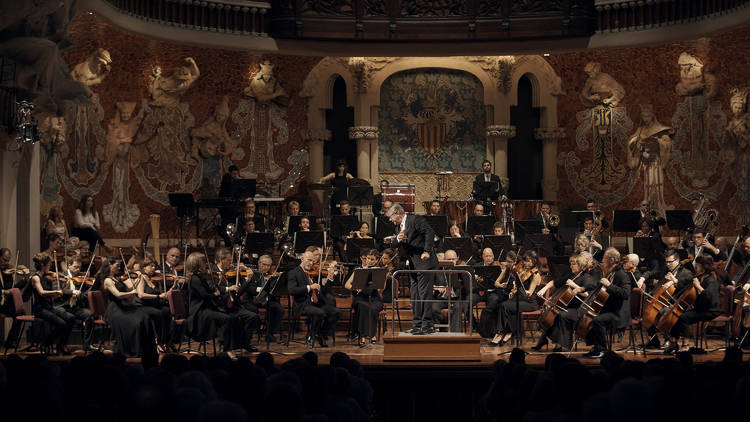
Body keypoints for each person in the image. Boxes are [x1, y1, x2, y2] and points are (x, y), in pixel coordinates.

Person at [387, 203, 437, 335]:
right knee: (414, 294)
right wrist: (397, 238)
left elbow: (429, 232)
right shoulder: (398, 228)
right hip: (413, 264)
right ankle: (417, 325)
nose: (390, 219)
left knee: (424, 293)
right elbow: (393, 245)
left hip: (425, 261)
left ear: (397, 213)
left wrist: (427, 251)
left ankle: (427, 325)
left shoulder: (415, 219)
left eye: (390, 216)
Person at [533, 253, 597, 352]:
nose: (571, 266)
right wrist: (544, 289)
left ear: (580, 265)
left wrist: (574, 286)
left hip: (579, 309)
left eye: (573, 264)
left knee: (561, 315)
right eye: (570, 264)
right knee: (553, 314)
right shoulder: (571, 275)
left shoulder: (586, 277)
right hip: (567, 306)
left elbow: (587, 294)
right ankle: (544, 340)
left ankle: (560, 345)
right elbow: (555, 282)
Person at [99, 257, 157, 358]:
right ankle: (132, 349)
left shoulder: (116, 278)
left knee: (145, 317)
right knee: (136, 322)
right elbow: (118, 295)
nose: (119, 267)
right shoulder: (107, 280)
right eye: (117, 265)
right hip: (115, 309)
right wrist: (131, 293)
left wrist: (138, 280)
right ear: (110, 265)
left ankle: (146, 350)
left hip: (124, 307)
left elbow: (129, 288)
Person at [184, 252, 239, 358]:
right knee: (225, 319)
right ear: (197, 264)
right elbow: (205, 295)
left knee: (230, 317)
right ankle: (226, 348)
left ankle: (227, 346)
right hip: (199, 313)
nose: (206, 264)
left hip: (206, 309)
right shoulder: (195, 279)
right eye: (203, 262)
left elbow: (208, 291)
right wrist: (215, 294)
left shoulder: (200, 277)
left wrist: (215, 288)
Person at [663, 255, 720, 354]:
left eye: (697, 265)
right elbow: (684, 285)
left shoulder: (711, 280)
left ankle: (686, 345)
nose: (695, 266)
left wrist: (698, 286)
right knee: (676, 315)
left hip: (711, 310)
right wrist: (674, 282)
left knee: (684, 317)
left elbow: (710, 298)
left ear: (704, 266)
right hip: (700, 308)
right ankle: (673, 342)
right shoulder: (699, 276)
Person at [582, 248, 631, 359]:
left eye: (604, 258)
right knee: (589, 316)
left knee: (597, 320)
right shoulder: (611, 273)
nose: (602, 261)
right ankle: (596, 347)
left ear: (611, 260)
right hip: (610, 309)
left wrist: (609, 285)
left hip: (619, 313)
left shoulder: (621, 275)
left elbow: (625, 294)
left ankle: (603, 350)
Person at [287, 251, 340, 348]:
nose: (311, 263)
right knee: (319, 312)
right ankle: (311, 336)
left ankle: (320, 333)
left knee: (335, 312)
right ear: (302, 259)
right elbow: (292, 290)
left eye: (312, 261)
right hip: (302, 305)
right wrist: (309, 287)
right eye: (309, 260)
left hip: (316, 304)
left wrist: (330, 278)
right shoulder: (294, 273)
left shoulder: (314, 273)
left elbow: (321, 290)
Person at [212, 248, 260, 353]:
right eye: (229, 260)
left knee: (253, 316)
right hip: (220, 306)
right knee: (232, 319)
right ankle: (224, 344)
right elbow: (213, 289)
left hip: (233, 305)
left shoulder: (228, 273)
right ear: (221, 259)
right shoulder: (213, 272)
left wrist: (247, 280)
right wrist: (227, 288)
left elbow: (237, 292)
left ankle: (245, 343)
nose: (231, 263)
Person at [29, 253, 74, 355]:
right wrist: (55, 292)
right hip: (40, 309)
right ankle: (46, 343)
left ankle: (62, 344)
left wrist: (65, 287)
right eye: (49, 265)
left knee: (71, 318)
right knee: (62, 324)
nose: (50, 267)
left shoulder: (47, 278)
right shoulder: (35, 278)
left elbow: (54, 296)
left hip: (49, 307)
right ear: (43, 265)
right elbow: (41, 292)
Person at [495, 250, 542, 346]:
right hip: (521, 299)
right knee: (505, 305)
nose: (526, 263)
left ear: (535, 261)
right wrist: (513, 291)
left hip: (530, 303)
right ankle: (509, 332)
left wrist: (520, 289)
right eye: (525, 261)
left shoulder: (535, 275)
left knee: (505, 306)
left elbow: (529, 293)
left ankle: (501, 333)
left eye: (529, 261)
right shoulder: (525, 271)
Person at [239, 254, 284, 343]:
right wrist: (260, 289)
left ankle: (270, 333)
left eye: (269, 265)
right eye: (264, 265)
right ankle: (254, 332)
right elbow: (248, 288)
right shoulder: (252, 274)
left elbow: (274, 291)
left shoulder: (271, 276)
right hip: (252, 300)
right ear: (259, 263)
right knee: (253, 310)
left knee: (279, 308)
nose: (267, 268)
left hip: (265, 300)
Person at [345, 248, 384, 346]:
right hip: (361, 298)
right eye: (368, 258)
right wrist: (355, 287)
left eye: (372, 259)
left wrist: (382, 279)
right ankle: (365, 335)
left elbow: (381, 289)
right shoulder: (359, 271)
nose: (369, 261)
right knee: (363, 307)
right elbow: (347, 285)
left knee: (372, 308)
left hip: (375, 298)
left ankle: (369, 334)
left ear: (376, 261)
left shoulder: (379, 271)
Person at [135, 256, 173, 352]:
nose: (154, 268)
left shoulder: (156, 279)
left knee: (167, 311)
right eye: (151, 266)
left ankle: (165, 341)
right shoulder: (141, 277)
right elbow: (141, 295)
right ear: (144, 267)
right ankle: (158, 342)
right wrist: (158, 297)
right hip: (143, 306)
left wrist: (174, 285)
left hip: (155, 305)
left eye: (155, 266)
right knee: (159, 313)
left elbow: (162, 293)